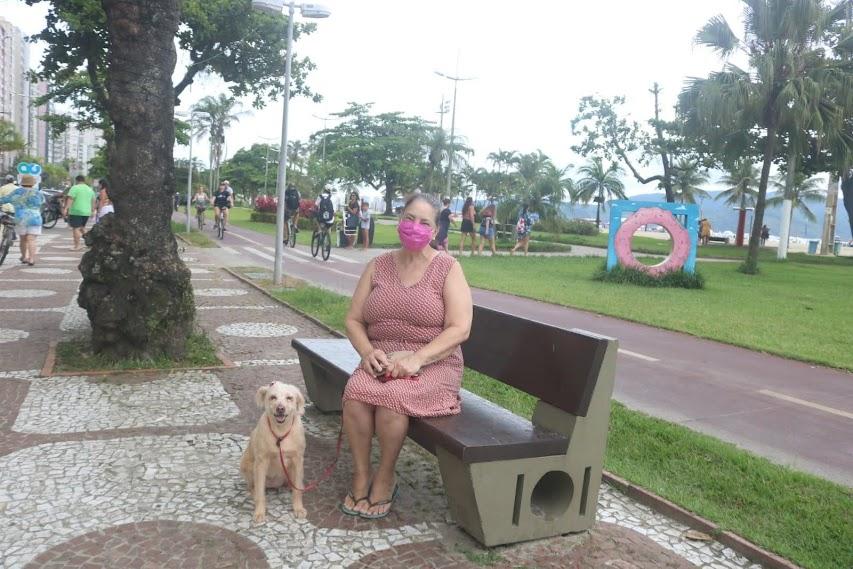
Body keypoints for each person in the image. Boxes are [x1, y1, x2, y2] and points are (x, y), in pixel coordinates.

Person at [339, 193, 473, 519]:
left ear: (436, 228)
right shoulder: (379, 265)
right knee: (355, 395)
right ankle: (360, 474)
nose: (415, 227)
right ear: (400, 219)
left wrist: (417, 359)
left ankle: (385, 476)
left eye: (424, 222)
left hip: (433, 363)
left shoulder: (447, 268)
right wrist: (368, 352)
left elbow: (460, 328)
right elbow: (353, 319)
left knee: (391, 400)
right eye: (409, 218)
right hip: (382, 361)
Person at [0, 174, 44, 266]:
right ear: (32, 183)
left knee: (23, 239)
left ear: (22, 183)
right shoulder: (38, 193)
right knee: (32, 239)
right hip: (35, 218)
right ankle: (31, 259)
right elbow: (42, 203)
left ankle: (24, 257)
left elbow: (4, 199)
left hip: (20, 218)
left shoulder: (17, 192)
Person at [63, 175, 96, 251]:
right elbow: (93, 200)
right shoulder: (90, 189)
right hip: (86, 212)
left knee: (76, 228)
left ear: (77, 180)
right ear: (84, 180)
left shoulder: (75, 188)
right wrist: (92, 210)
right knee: (82, 227)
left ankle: (77, 246)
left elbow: (70, 199)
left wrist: (66, 208)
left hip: (76, 211)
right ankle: (90, 242)